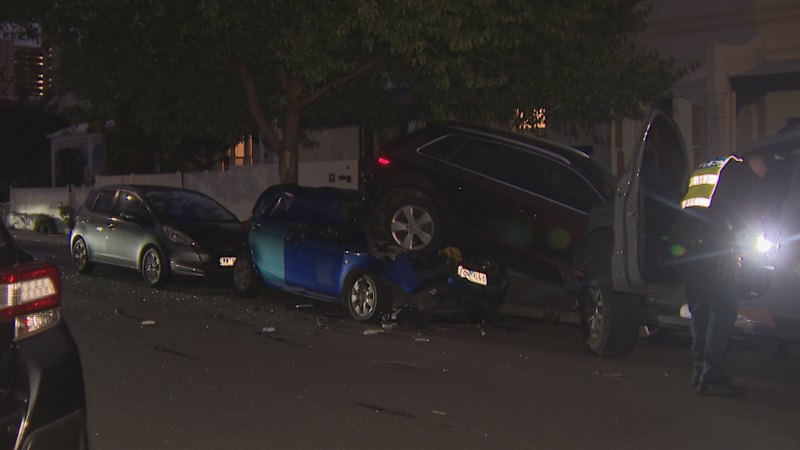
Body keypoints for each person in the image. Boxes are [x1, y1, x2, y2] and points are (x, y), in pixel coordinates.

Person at [678, 152, 769, 397]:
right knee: (724, 311)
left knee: (701, 312)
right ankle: (711, 378)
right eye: (762, 174)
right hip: (718, 252)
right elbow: (746, 215)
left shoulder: (711, 166)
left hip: (692, 250)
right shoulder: (743, 174)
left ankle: (699, 372)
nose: (761, 179)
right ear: (756, 165)